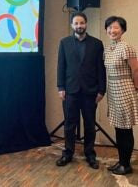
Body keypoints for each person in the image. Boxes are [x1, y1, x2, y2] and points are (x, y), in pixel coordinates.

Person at [56, 12, 106, 169]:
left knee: (90, 124)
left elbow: (100, 69)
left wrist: (101, 90)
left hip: (90, 92)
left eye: (82, 23)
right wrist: (60, 87)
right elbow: (61, 66)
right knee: (70, 124)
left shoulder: (97, 44)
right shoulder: (64, 43)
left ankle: (90, 154)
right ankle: (68, 153)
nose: (79, 26)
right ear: (72, 25)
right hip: (70, 90)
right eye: (76, 23)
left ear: (86, 24)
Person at [104, 16, 138, 175]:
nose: (112, 30)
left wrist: (136, 89)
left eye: (116, 27)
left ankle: (126, 164)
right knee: (119, 128)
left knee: (125, 129)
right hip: (113, 90)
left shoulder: (126, 47)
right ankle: (121, 161)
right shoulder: (109, 48)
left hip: (124, 89)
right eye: (109, 27)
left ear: (123, 29)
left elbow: (136, 70)